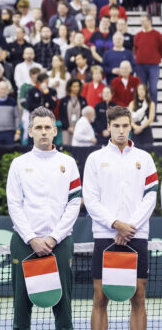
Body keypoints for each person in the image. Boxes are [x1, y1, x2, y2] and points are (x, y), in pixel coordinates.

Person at [6, 107, 81, 329]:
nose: (44, 132)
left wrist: (54, 238)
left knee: (63, 305)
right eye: (38, 127)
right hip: (24, 243)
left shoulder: (68, 163)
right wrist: (32, 238)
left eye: (48, 127)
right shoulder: (18, 164)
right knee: (21, 306)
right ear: (30, 131)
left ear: (54, 131)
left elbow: (74, 202)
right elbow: (14, 204)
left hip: (59, 243)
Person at [83, 106, 158, 330]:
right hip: (106, 235)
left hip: (137, 235)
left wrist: (129, 227)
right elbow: (90, 198)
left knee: (138, 296)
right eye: (116, 126)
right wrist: (116, 224)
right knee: (100, 297)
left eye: (125, 125)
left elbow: (151, 196)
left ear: (130, 127)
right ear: (108, 127)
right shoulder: (95, 159)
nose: (121, 131)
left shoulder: (144, 159)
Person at [132, 14, 162, 103]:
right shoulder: (138, 35)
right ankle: (142, 112)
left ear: (150, 21)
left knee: (153, 89)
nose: (142, 23)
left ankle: (153, 114)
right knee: (141, 91)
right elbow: (135, 50)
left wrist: (156, 58)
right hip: (140, 66)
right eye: (141, 21)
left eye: (144, 21)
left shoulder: (157, 35)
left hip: (153, 66)